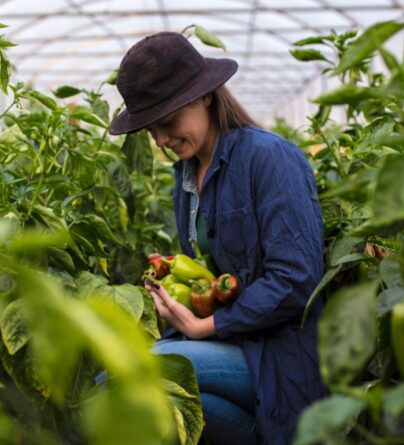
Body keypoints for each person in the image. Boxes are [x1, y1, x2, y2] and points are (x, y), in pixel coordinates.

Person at [108, 32, 327, 445]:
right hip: (234, 341)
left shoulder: (269, 157)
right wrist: (176, 289)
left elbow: (296, 278)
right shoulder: (186, 176)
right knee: (166, 403)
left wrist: (205, 326)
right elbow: (217, 274)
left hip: (277, 353)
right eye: (151, 129)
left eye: (167, 122)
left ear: (205, 96)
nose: (160, 141)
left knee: (126, 376)